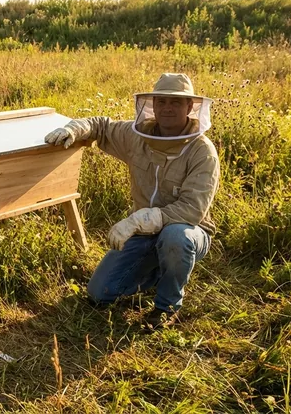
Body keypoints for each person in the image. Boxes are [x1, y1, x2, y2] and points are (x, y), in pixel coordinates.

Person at [45, 73, 220, 330]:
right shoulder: (137, 135)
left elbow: (192, 210)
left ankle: (167, 305)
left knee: (175, 239)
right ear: (152, 105)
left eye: (175, 103)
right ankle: (161, 271)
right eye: (161, 102)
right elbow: (100, 126)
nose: (167, 108)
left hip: (188, 231)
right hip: (144, 234)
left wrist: (138, 220)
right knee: (100, 293)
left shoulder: (201, 151)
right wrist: (72, 129)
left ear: (190, 107)